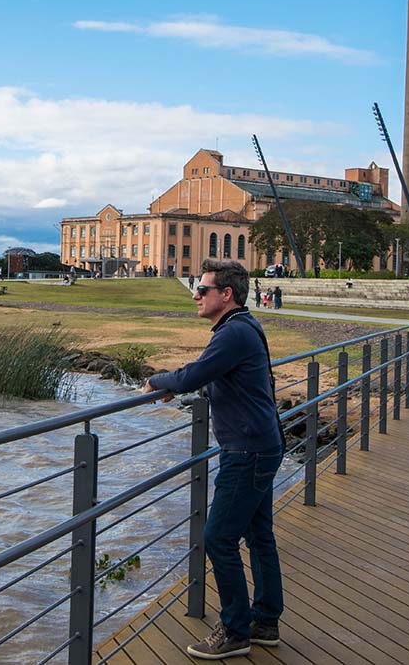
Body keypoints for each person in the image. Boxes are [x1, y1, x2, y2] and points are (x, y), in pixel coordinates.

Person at [142, 259, 284, 659]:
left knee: (218, 538)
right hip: (260, 444)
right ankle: (266, 621)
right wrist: (185, 386)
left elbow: (194, 375)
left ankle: (236, 629)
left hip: (248, 451)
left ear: (226, 294)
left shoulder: (234, 332)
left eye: (202, 289)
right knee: (258, 535)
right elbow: (216, 378)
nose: (195, 295)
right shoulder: (241, 327)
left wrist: (159, 381)